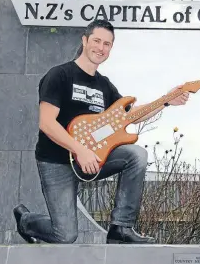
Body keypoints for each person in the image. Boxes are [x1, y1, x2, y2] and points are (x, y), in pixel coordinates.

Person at [13, 19, 189, 244]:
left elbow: (130, 116)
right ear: (85, 41)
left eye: (107, 44)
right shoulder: (59, 75)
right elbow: (47, 123)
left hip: (95, 158)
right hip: (57, 162)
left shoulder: (104, 85)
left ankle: (121, 228)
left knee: (136, 155)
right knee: (65, 235)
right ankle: (26, 221)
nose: (101, 48)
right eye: (96, 41)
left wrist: (166, 101)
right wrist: (80, 150)